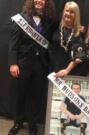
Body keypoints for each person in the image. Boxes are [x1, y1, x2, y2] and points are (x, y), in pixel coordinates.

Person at [8, 0, 56, 135]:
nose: (39, 1)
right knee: (21, 95)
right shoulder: (21, 19)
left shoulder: (50, 21)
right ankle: (18, 122)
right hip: (23, 64)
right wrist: (13, 63)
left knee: (36, 96)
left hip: (41, 65)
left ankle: (33, 124)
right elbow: (13, 43)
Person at [50, 1, 86, 78]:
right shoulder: (56, 26)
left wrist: (66, 70)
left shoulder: (79, 32)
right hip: (54, 70)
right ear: (63, 12)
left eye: (72, 12)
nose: (68, 14)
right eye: (67, 11)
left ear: (76, 15)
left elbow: (79, 55)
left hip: (71, 72)